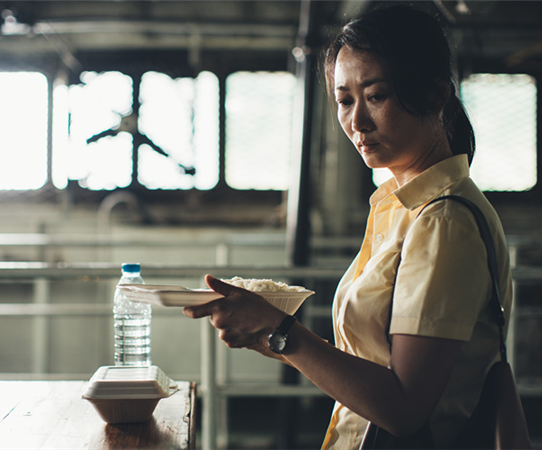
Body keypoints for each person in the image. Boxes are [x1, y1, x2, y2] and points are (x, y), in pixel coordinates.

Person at [183, 6, 514, 449]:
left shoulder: (443, 220)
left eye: (375, 96)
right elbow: (373, 366)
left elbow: (403, 408)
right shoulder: (400, 207)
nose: (356, 122)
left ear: (436, 95)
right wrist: (270, 332)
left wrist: (285, 333)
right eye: (344, 100)